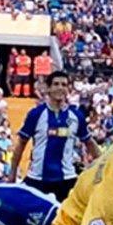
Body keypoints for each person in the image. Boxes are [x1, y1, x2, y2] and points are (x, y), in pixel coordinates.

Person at [9, 71, 100, 201]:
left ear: (68, 89)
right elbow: (21, 144)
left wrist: (103, 166)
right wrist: (12, 172)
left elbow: (89, 142)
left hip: (67, 180)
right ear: (48, 88)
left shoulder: (76, 116)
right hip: (37, 179)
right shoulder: (36, 114)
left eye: (64, 84)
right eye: (56, 84)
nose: (60, 87)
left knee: (70, 220)